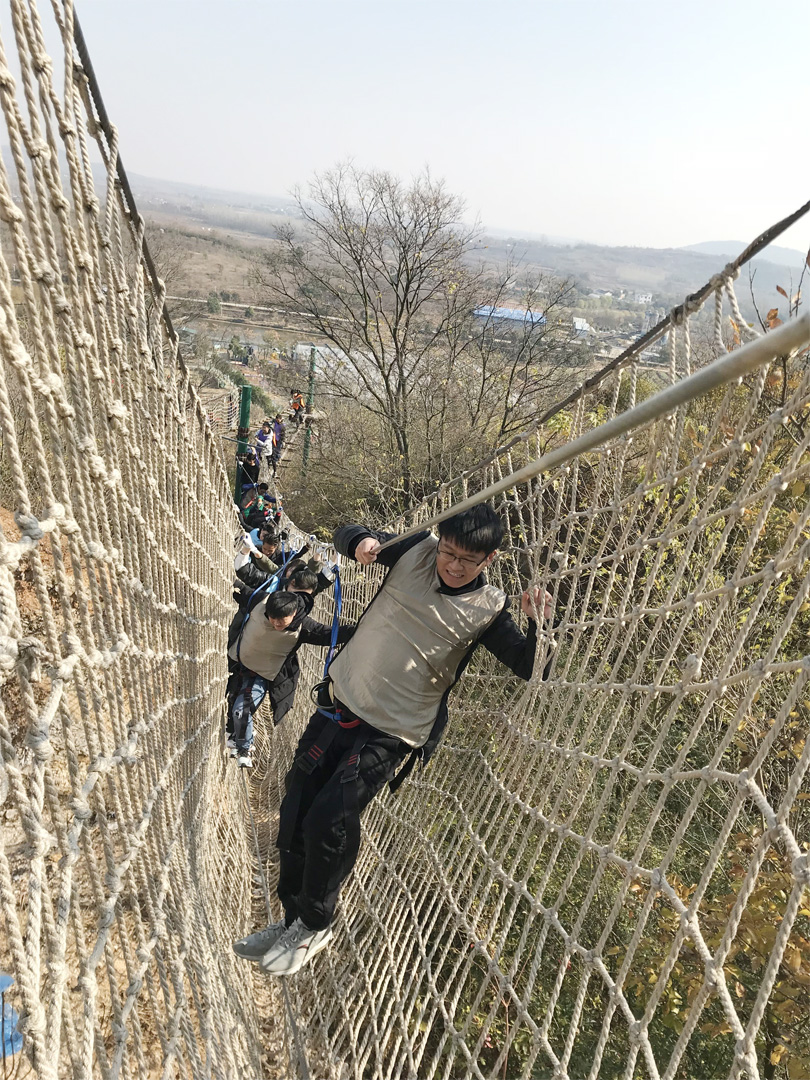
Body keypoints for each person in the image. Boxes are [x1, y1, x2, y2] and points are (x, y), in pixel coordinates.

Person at [233, 504, 553, 975]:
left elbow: (532, 667)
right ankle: (292, 919)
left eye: (468, 560)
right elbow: (346, 531)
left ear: (489, 559)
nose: (453, 565)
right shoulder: (416, 550)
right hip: (340, 702)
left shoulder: (489, 608)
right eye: (449, 552)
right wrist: (359, 542)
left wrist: (541, 624)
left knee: (329, 818)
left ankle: (316, 923)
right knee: (296, 808)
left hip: (391, 732)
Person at [226, 570, 354, 767]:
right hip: (238, 666)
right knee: (233, 706)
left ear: (293, 614)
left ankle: (245, 748)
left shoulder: (304, 626)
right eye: (273, 618)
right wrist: (232, 579)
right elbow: (244, 591)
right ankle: (236, 738)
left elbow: (328, 634)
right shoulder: (261, 601)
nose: (277, 623)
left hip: (260, 676)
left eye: (282, 620)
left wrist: (358, 630)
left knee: (241, 710)